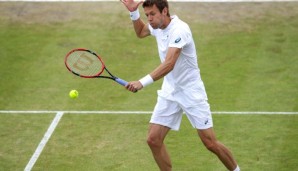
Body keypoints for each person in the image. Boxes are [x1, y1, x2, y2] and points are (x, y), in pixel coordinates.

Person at [120, 0, 240, 170]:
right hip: (170, 91)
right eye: (147, 15)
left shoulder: (180, 29)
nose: (150, 19)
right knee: (153, 140)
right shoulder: (156, 26)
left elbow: (169, 64)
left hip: (191, 91)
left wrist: (142, 82)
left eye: (152, 14)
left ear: (164, 11)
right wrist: (134, 13)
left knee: (210, 143)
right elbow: (140, 31)